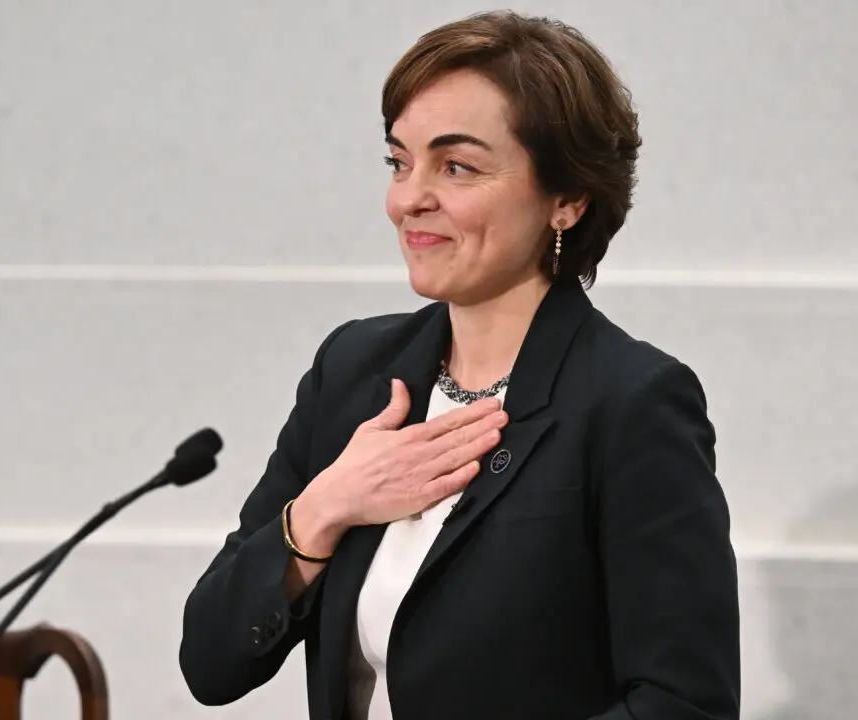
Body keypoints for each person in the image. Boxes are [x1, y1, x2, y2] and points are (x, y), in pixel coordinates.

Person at [178, 10, 740, 720]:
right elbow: (210, 662)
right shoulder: (353, 371)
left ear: (567, 200)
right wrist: (324, 510)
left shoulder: (633, 403)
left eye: (457, 167)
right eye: (399, 162)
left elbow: (683, 704)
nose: (409, 199)